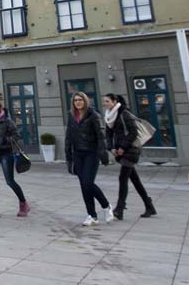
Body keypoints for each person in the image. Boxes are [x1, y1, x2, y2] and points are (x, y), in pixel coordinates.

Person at [103, 93, 157, 220]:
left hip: (130, 151)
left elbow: (134, 132)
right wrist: (111, 148)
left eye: (107, 101)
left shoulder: (125, 114)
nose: (105, 104)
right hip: (120, 151)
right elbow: (108, 134)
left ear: (115, 101)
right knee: (135, 180)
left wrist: (122, 147)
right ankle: (149, 206)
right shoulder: (109, 117)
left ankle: (120, 209)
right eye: (104, 101)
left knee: (123, 178)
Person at [65, 92, 113, 226]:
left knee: (87, 183)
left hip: (91, 153)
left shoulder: (94, 115)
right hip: (78, 154)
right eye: (75, 100)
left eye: (80, 100)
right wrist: (68, 156)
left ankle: (106, 206)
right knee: (84, 185)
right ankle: (92, 215)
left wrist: (103, 155)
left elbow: (101, 136)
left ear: (85, 101)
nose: (78, 102)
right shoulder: (71, 115)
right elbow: (68, 136)